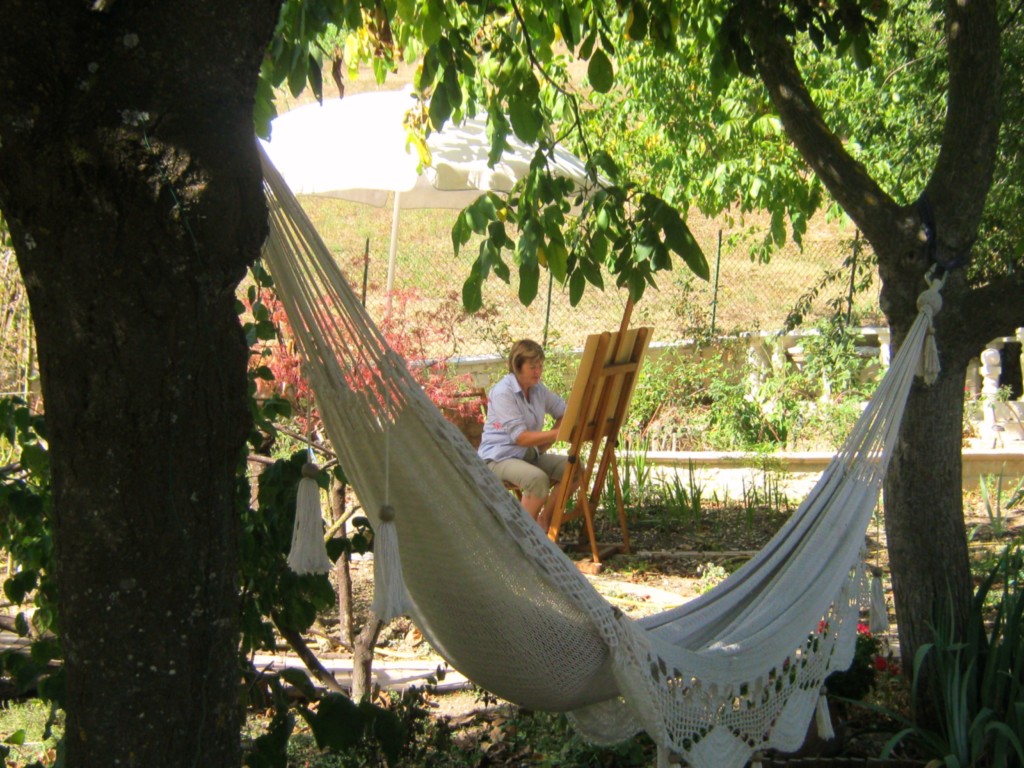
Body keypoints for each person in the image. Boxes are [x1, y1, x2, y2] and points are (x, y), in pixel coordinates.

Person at [478, 339, 569, 531]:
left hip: (527, 455)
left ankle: (543, 523)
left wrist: (548, 441)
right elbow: (520, 438)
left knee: (574, 468)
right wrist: (556, 434)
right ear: (517, 366)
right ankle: (522, 539)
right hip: (498, 458)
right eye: (533, 367)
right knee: (536, 480)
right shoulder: (503, 392)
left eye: (540, 366)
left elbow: (565, 412)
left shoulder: (538, 389)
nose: (538, 372)